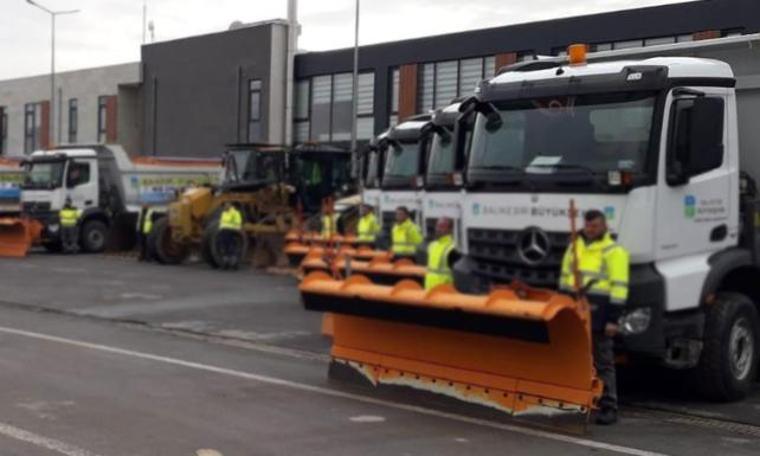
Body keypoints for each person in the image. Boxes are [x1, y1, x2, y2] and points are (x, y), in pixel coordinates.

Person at [559, 209, 629, 426]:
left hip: (600, 314)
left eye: (595, 226)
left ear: (604, 227)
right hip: (575, 311)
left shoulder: (614, 251)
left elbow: (619, 289)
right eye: (588, 226)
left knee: (603, 362)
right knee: (577, 359)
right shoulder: (574, 246)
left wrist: (613, 320)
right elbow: (564, 280)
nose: (591, 230)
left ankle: (609, 407)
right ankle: (581, 399)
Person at [424, 217, 456, 290]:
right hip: (429, 289)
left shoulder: (452, 248)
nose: (438, 229)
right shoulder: (432, 245)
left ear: (450, 230)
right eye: (437, 226)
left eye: (442, 226)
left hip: (444, 292)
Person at [218, 201, 244, 270]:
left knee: (231, 247)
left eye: (226, 205)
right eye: (224, 206)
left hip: (231, 231)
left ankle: (233, 264)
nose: (225, 207)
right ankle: (225, 263)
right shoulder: (224, 213)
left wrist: (235, 231)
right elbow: (222, 222)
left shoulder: (235, 212)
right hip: (223, 231)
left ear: (230, 205)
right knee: (224, 247)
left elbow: (238, 222)